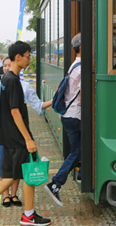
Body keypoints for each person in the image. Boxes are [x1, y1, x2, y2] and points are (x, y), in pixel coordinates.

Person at [0, 41, 51, 226]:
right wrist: (28, 139)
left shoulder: (6, 79)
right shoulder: (13, 81)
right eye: (28, 56)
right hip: (18, 138)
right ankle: (26, 215)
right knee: (27, 174)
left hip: (10, 136)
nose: (29, 59)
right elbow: (15, 111)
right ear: (18, 57)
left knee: (13, 175)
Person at [45, 33, 82, 207]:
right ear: (82, 47)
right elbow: (83, 96)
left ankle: (62, 181)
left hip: (67, 115)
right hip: (76, 116)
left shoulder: (74, 65)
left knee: (77, 151)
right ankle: (56, 183)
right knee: (80, 150)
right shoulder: (82, 69)